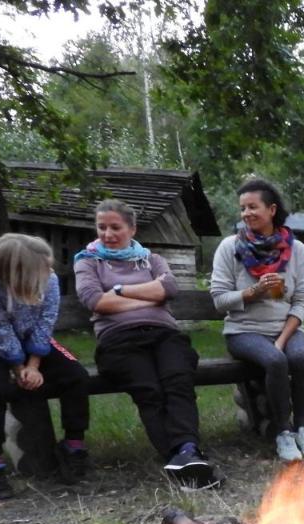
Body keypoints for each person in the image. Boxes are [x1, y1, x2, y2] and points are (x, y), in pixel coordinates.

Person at [74, 199, 221, 489]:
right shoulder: (87, 260)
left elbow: (169, 288)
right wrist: (148, 296)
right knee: (149, 389)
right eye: (101, 227)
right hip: (118, 342)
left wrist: (119, 291)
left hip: (164, 334)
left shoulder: (151, 259)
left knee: (177, 381)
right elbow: (95, 301)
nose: (107, 234)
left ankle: (189, 450)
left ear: (131, 228)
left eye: (115, 227)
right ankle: (178, 457)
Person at [0, 234, 91, 500]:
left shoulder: (50, 279)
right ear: (17, 271)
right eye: (42, 268)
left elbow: (45, 323)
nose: (49, 272)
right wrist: (20, 369)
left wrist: (34, 364)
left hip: (32, 338)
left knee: (76, 375)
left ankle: (73, 445)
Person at [210, 177, 304, 463]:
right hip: (243, 331)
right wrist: (252, 292)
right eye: (242, 208)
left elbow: (303, 300)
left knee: (301, 358)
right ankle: (282, 433)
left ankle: (301, 428)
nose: (246, 214)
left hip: (286, 328)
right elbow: (219, 299)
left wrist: (283, 339)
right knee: (274, 361)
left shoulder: (297, 251)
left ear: (271, 210)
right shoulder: (229, 247)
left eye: (252, 207)